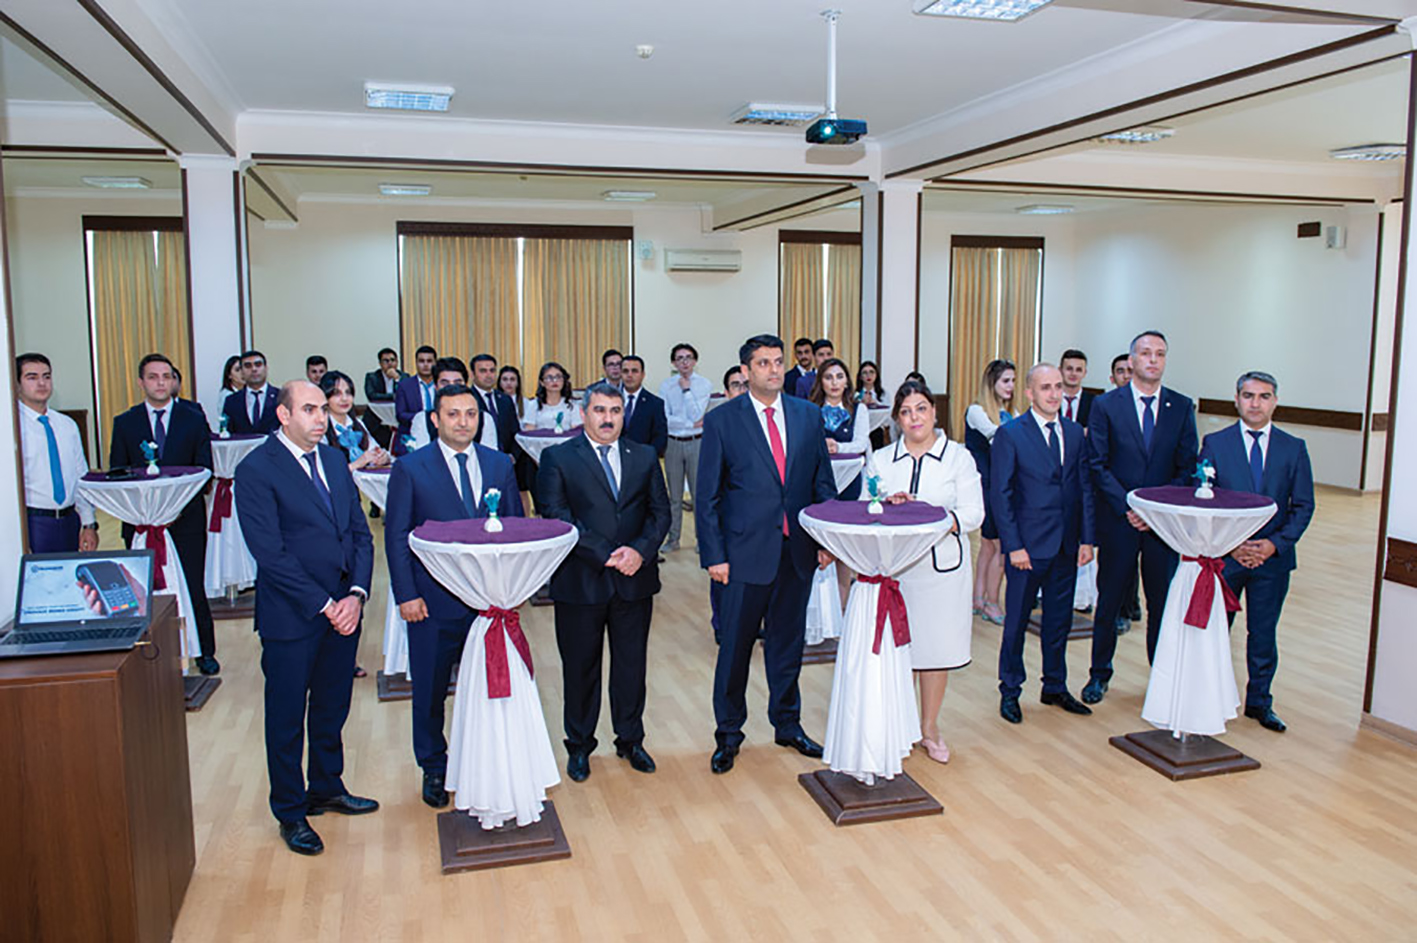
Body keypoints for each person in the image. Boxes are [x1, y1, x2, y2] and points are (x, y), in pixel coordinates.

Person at [234, 380, 377, 856]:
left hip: (344, 609)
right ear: (284, 415)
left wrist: (355, 595)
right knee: (286, 717)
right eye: (310, 409)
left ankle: (326, 787)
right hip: (292, 615)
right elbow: (270, 554)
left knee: (332, 706)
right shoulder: (257, 469)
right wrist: (325, 604)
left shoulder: (334, 460)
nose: (321, 418)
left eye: (323, 410)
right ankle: (291, 811)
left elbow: (360, 533)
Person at [697, 333, 837, 774]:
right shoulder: (723, 421)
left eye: (778, 362)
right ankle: (728, 734)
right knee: (735, 648)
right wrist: (714, 555)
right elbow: (707, 496)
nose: (773, 370)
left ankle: (787, 724)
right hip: (742, 555)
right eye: (763, 363)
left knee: (787, 645)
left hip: (796, 552)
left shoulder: (808, 415)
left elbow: (822, 483)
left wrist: (826, 541)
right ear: (745, 371)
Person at [384, 383, 524, 808]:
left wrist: (514, 588)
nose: (463, 422)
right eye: (453, 414)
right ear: (435, 419)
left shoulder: (499, 464)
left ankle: (486, 762)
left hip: (488, 602)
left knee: (490, 687)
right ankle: (433, 766)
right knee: (429, 691)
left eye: (471, 414)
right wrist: (406, 594)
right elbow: (396, 536)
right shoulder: (411, 468)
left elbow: (515, 530)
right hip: (432, 602)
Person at [538, 382, 670, 782]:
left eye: (615, 411)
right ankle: (579, 745)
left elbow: (660, 513)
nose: (608, 418)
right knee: (581, 669)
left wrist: (639, 552)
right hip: (582, 580)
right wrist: (606, 554)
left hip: (634, 579)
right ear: (583, 414)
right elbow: (556, 515)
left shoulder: (643, 455)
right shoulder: (558, 457)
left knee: (631, 666)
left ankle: (630, 739)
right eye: (599, 410)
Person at [861, 380, 983, 762]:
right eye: (905, 412)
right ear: (897, 419)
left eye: (921, 409)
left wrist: (929, 514)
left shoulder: (958, 458)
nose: (914, 418)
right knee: (898, 652)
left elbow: (973, 513)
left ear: (934, 411)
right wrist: (888, 504)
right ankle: (899, 728)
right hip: (896, 572)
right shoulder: (882, 460)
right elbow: (866, 507)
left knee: (935, 650)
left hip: (941, 571)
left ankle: (929, 728)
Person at [1084, 330, 1198, 704]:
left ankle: (1161, 679)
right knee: (1110, 601)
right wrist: (1130, 507)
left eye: (1160, 354)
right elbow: (1097, 464)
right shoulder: (1106, 405)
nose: (1153, 360)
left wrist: (1154, 510)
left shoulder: (1181, 407)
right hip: (1119, 521)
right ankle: (1098, 675)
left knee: (1161, 604)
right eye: (1146, 353)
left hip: (1162, 526)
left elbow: (1187, 467)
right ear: (1131, 361)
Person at [1200, 371, 1315, 733]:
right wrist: (1231, 545)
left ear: (1275, 402)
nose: (1255, 403)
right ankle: (1210, 699)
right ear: (1236, 400)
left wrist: (1273, 545)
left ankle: (1260, 702)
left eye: (1264, 396)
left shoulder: (1293, 448)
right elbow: (1205, 501)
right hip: (1226, 558)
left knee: (1263, 634)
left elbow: (1303, 506)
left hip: (1272, 560)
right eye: (1248, 396)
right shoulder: (1215, 444)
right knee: (1217, 631)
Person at [991, 364, 1096, 724]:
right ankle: (1010, 690)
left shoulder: (1074, 432)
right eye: (1045, 387)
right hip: (1027, 548)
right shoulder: (1011, 434)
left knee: (1058, 621)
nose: (1054, 394)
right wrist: (1013, 546)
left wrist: (1087, 539)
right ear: (1029, 393)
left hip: (1066, 544)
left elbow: (1084, 487)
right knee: (1017, 623)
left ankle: (1055, 685)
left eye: (1058, 387)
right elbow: (1001, 495)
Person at [111, 353, 219, 675]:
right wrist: (144, 513)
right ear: (141, 382)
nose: (160, 382)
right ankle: (146, 654)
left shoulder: (193, 419)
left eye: (166, 376)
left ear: (173, 380)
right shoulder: (125, 422)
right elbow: (118, 475)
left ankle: (204, 652)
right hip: (141, 524)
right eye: (153, 377)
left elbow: (204, 471)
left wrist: (173, 509)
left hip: (184, 521)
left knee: (192, 585)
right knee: (143, 590)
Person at [15, 353, 97, 553]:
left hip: (69, 521)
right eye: (32, 377)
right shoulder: (11, 427)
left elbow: (80, 477)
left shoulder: (67, 425)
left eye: (47, 376)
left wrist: (89, 524)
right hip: (32, 523)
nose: (41, 383)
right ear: (17, 384)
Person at [964, 359, 1017, 626]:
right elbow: (1000, 438)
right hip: (988, 486)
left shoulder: (1009, 411)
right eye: (1005, 381)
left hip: (1001, 484)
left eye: (1013, 381)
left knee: (988, 545)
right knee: (1001, 548)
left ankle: (979, 597)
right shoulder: (977, 411)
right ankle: (992, 602)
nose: (1011, 386)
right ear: (992, 383)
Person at [708, 365, 749, 644]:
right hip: (726, 517)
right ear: (726, 392)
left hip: (757, 522)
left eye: (746, 385)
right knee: (723, 577)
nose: (742, 390)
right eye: (736, 385)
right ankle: (722, 624)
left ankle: (751, 625)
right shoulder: (719, 424)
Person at [658, 343, 711, 553]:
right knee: (674, 496)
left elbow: (698, 414)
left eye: (688, 357)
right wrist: (689, 423)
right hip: (673, 443)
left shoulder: (704, 384)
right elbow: (666, 418)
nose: (684, 362)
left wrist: (687, 390)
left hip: (697, 442)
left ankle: (701, 540)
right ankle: (673, 539)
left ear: (695, 361)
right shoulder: (666, 385)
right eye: (679, 358)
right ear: (673, 362)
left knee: (699, 495)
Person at [1108, 352, 1142, 625]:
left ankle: (1132, 603)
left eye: (1129, 371)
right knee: (1118, 563)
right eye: (1121, 371)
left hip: (1149, 506)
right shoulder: (1105, 407)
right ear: (1113, 377)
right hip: (1115, 501)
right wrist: (1123, 502)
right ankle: (1119, 610)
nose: (1126, 376)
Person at [808, 357, 870, 500]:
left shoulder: (859, 409)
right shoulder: (810, 410)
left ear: (846, 382)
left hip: (851, 477)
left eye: (840, 377)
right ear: (821, 382)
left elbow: (861, 444)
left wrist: (838, 447)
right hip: (818, 479)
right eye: (828, 377)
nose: (834, 383)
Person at [322, 371, 391, 472]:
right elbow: (325, 473)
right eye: (337, 393)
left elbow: (375, 449)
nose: (344, 399)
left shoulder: (358, 424)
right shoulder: (321, 429)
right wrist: (358, 463)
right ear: (325, 397)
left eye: (348, 392)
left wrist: (383, 457)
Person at [499, 365, 536, 509]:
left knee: (522, 490)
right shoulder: (495, 401)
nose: (508, 383)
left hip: (522, 452)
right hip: (503, 448)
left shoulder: (527, 403)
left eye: (512, 379)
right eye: (505, 379)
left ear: (518, 382)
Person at [393, 345, 438, 456]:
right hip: (412, 435)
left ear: (435, 363)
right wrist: (424, 418)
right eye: (421, 361)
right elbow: (400, 414)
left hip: (439, 435)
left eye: (429, 361)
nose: (425, 365)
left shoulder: (441, 384)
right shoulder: (405, 385)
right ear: (416, 363)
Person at [469, 353, 518, 453]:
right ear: (472, 374)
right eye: (483, 371)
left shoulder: (505, 399)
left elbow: (515, 432)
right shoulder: (467, 399)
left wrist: (513, 455)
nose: (488, 375)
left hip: (505, 457)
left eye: (492, 370)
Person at [619, 355, 668, 457]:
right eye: (625, 371)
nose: (629, 375)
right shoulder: (611, 400)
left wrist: (648, 458)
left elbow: (660, 437)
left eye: (634, 371)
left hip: (642, 459)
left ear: (643, 375)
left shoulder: (655, 403)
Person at [223, 349, 279, 436]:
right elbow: (229, 434)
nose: (254, 369)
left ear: (266, 368)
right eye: (248, 366)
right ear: (242, 372)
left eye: (258, 364)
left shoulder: (281, 397)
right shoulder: (231, 401)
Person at [523, 361, 583, 431]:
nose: (554, 381)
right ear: (542, 382)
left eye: (558, 377)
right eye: (549, 377)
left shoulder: (572, 405)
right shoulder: (533, 405)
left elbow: (576, 431)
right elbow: (529, 431)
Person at [1059, 349, 1094, 427]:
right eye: (1069, 369)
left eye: (1079, 370)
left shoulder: (1095, 403)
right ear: (1060, 370)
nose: (1073, 373)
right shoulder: (1049, 398)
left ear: (1084, 373)